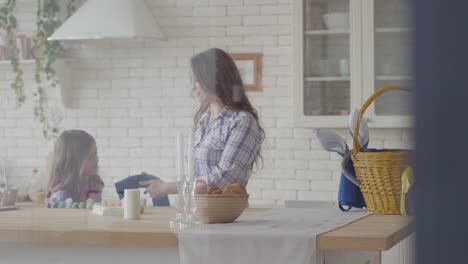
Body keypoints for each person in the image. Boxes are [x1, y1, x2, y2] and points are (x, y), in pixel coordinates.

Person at [141, 48, 265, 199]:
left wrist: (168, 187)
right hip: (199, 212)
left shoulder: (242, 122)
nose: (193, 87)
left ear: (215, 79)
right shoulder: (204, 119)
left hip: (226, 217)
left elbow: (225, 178)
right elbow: (196, 173)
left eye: (197, 80)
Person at [47, 130, 104, 202]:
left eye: (95, 153)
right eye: (90, 156)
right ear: (74, 161)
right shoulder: (61, 196)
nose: (96, 159)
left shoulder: (94, 184)